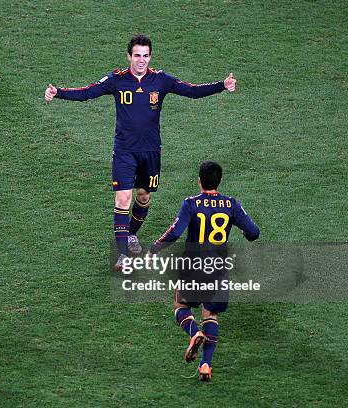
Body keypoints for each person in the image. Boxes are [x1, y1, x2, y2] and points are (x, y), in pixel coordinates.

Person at [44, 35, 237, 271]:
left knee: (144, 196)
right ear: (129, 56)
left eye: (145, 55)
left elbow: (192, 91)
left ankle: (131, 234)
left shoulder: (160, 80)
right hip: (124, 151)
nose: (141, 60)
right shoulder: (117, 80)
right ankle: (123, 254)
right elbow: (87, 92)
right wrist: (58, 92)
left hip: (151, 151)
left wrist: (221, 86)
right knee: (123, 199)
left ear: (150, 56)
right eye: (137, 55)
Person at [148, 161, 260, 381]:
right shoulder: (231, 204)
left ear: (199, 180)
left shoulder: (191, 204)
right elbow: (254, 232)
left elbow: (174, 232)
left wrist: (155, 247)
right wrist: (246, 235)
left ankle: (194, 333)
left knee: (181, 306)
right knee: (211, 314)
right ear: (219, 181)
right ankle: (206, 365)